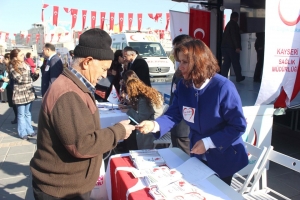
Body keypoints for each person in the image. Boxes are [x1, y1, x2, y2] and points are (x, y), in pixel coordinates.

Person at [30, 28, 135, 200]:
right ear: (87, 62)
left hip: (68, 185)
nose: (104, 75)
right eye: (103, 68)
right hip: (62, 191)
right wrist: (118, 131)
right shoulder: (68, 93)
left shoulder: (73, 86)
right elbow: (83, 144)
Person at [137, 39, 248, 186]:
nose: (180, 67)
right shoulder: (184, 86)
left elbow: (238, 126)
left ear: (199, 62)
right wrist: (154, 125)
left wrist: (209, 142)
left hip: (224, 156)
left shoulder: (223, 87)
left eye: (185, 62)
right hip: (198, 155)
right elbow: (173, 114)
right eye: (179, 61)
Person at [120, 78, 163, 149]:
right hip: (156, 121)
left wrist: (128, 110)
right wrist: (128, 107)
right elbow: (141, 110)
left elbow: (140, 118)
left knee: (130, 131)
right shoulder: (148, 93)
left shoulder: (143, 99)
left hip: (150, 128)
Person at [169, 34, 193, 155]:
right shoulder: (179, 71)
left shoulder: (220, 85)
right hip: (176, 125)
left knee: (185, 161)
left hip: (184, 130)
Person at [10, 49, 40, 140]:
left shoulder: (26, 65)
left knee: (28, 113)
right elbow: (19, 79)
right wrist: (30, 79)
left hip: (29, 92)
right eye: (20, 55)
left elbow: (32, 78)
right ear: (15, 57)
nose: (23, 56)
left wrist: (36, 74)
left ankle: (29, 130)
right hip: (20, 93)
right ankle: (22, 132)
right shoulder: (13, 66)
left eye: (23, 55)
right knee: (21, 114)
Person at [221, 12, 245, 82]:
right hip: (231, 47)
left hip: (225, 47)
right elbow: (234, 36)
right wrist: (237, 47)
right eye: (237, 17)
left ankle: (223, 78)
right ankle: (239, 77)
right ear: (236, 17)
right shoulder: (234, 24)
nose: (238, 19)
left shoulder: (228, 24)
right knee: (236, 62)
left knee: (226, 63)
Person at [0, 53, 18, 124]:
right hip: (9, 87)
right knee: (12, 104)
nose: (3, 60)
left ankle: (17, 118)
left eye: (5, 59)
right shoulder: (6, 67)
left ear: (8, 59)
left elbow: (8, 79)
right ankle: (16, 117)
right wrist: (2, 78)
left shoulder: (11, 67)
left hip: (12, 88)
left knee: (15, 104)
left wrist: (3, 86)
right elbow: (5, 78)